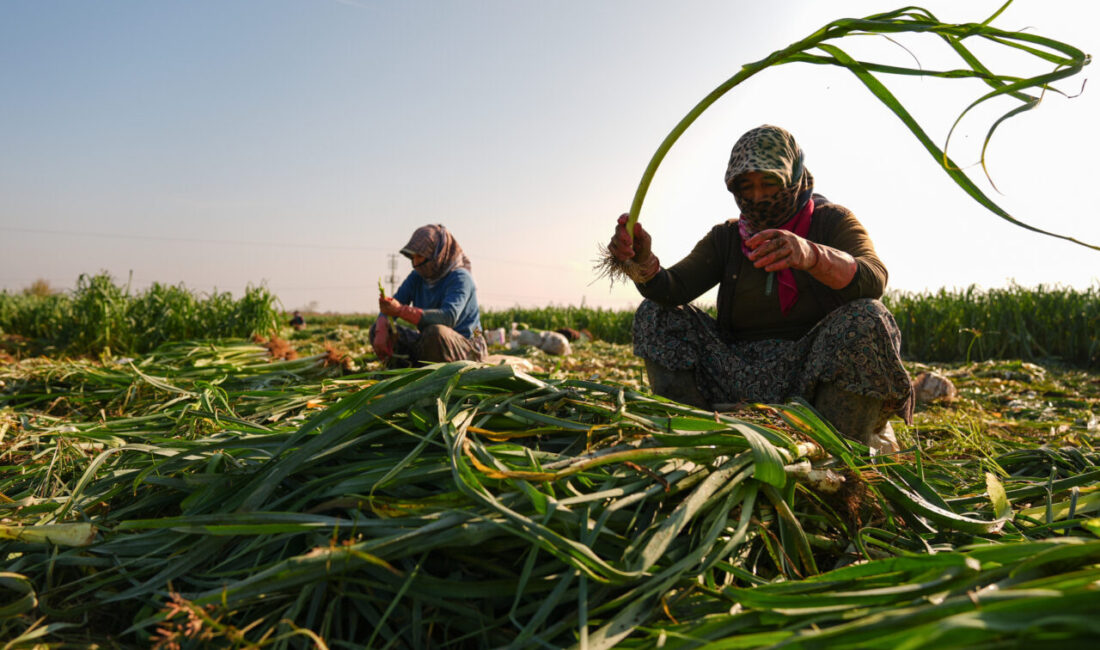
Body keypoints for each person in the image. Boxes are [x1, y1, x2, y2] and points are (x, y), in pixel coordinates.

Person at [608, 125, 913, 453]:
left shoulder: (832, 222)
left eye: (769, 183)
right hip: (736, 372)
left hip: (811, 376)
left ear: (794, 178)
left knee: (868, 318)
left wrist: (810, 255)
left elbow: (874, 277)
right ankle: (694, 438)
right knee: (656, 315)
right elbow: (671, 290)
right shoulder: (726, 239)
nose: (757, 198)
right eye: (745, 187)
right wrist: (642, 261)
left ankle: (836, 453)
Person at [371, 224, 488, 367]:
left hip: (466, 346)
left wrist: (400, 310)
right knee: (378, 329)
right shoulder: (417, 277)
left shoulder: (460, 278)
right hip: (429, 342)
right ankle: (402, 371)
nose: (415, 263)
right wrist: (381, 326)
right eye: (412, 257)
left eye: (420, 256)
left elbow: (448, 317)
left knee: (436, 332)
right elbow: (393, 305)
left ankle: (433, 375)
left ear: (437, 254)